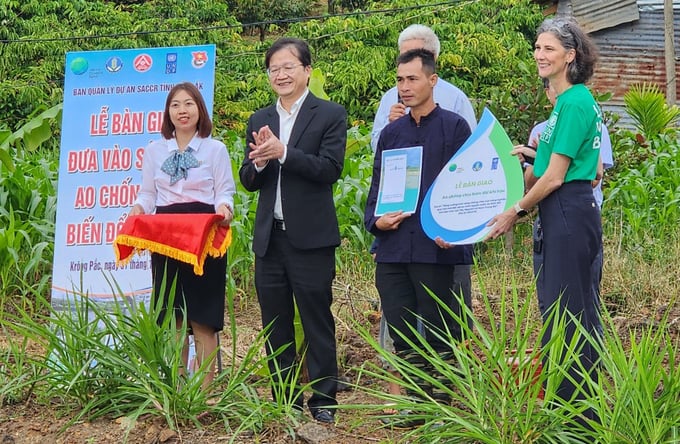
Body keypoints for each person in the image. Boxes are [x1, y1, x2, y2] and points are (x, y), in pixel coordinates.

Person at [486, 17, 603, 425]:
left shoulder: (575, 102)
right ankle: (564, 408)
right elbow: (541, 170)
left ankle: (578, 419)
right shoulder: (561, 106)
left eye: (549, 48)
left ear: (570, 56)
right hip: (560, 211)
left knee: (571, 315)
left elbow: (557, 176)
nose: (539, 54)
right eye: (537, 47)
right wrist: (505, 187)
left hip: (570, 209)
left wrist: (515, 212)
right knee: (559, 312)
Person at [238, 37, 347, 424]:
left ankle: (323, 402)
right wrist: (263, 163)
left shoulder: (329, 114)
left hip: (311, 240)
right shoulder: (259, 119)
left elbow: (330, 169)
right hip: (270, 239)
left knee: (316, 319)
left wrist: (283, 153)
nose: (280, 74)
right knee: (275, 322)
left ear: (306, 71)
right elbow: (248, 179)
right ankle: (283, 400)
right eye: (274, 69)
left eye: (288, 67)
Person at [370, 23, 477, 401]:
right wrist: (376, 221)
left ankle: (442, 406)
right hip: (394, 247)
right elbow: (377, 188)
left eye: (412, 79)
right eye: (400, 80)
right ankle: (416, 407)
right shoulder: (391, 133)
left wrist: (460, 232)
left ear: (433, 81)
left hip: (437, 246)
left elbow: (468, 188)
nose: (404, 87)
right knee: (401, 329)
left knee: (439, 329)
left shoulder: (455, 127)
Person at [130, 82, 235, 391]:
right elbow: (148, 195)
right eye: (175, 105)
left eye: (189, 104)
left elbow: (224, 191)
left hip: (203, 234)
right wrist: (137, 210)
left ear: (199, 109)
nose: (182, 110)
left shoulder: (214, 149)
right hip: (166, 236)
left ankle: (203, 393)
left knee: (203, 316)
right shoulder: (154, 150)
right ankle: (176, 390)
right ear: (168, 112)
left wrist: (224, 210)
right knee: (173, 316)